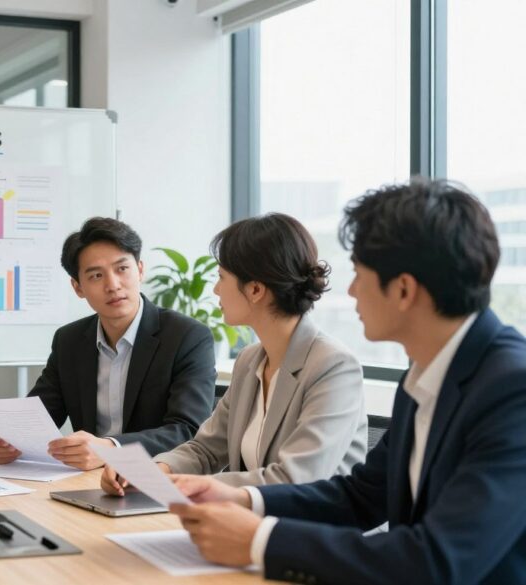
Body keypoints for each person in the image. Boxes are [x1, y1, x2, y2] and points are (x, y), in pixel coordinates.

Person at [170, 179, 526, 585]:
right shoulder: (424, 375)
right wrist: (243, 497)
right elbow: (360, 497)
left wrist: (262, 541)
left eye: (359, 275)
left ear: (404, 289)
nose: (352, 291)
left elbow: (439, 559)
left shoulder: (512, 390)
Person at [101, 213, 366, 494]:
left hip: (314, 532)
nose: (216, 289)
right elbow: (205, 448)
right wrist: (151, 471)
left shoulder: (333, 366)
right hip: (247, 523)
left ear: (254, 289)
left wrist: (181, 484)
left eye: (221, 277)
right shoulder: (250, 360)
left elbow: (296, 479)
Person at [0, 217, 216, 470]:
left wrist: (110, 449)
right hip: (86, 481)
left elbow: (187, 431)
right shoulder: (69, 340)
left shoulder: (186, 337)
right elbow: (39, 417)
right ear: (78, 287)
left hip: (155, 477)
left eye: (122, 269)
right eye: (96, 275)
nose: (113, 285)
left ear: (140, 270)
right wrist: (10, 440)